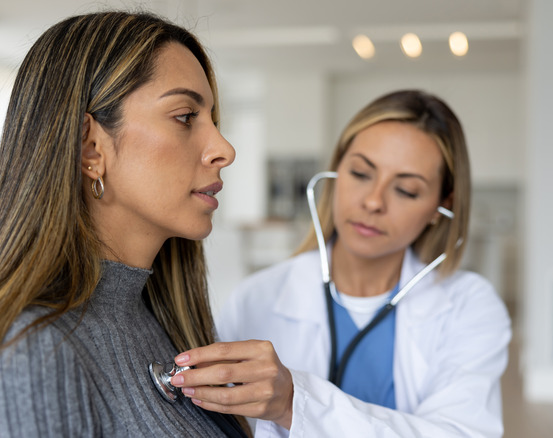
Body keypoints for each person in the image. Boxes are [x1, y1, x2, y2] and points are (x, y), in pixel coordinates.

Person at [0, 11, 249, 438]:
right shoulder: (29, 353)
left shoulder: (164, 324)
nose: (224, 149)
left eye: (215, 122)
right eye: (186, 116)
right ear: (90, 148)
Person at [171, 90, 512, 437]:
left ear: (442, 206)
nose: (373, 201)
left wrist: (295, 404)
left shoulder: (469, 307)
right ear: (336, 172)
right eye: (361, 173)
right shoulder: (257, 298)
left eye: (406, 190)